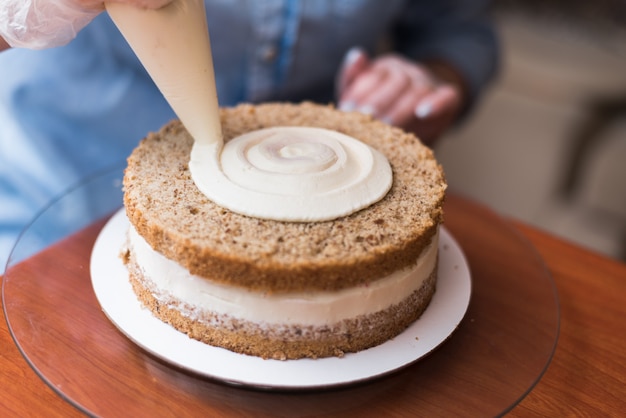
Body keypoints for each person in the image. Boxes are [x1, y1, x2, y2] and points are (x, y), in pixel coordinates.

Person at [0, 0, 499, 272]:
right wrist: (27, 11)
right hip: (43, 227)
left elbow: (459, 32)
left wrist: (427, 83)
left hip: (320, 223)